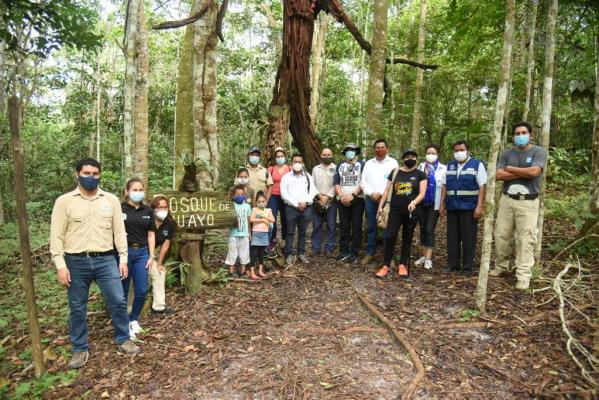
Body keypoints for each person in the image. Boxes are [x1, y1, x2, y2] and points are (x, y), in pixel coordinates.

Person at [50, 158, 141, 370]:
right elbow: (56, 236)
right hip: (75, 262)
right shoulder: (64, 201)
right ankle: (79, 348)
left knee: (118, 300)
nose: (91, 177)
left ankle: (123, 339)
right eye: (86, 173)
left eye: (95, 174)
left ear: (100, 175)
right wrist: (60, 265)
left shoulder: (110, 200)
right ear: (77, 174)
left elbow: (119, 232)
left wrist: (124, 259)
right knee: (77, 307)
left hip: (106, 259)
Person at [491, 121, 548, 290]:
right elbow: (498, 175)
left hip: (528, 201)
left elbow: (534, 172)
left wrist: (510, 169)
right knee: (501, 234)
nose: (520, 136)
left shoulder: (539, 151)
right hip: (507, 200)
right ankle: (501, 266)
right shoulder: (507, 153)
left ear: (531, 135)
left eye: (524, 132)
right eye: (517, 133)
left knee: (526, 238)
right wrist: (522, 172)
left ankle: (523, 276)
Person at [375, 150, 428, 278]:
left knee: (407, 237)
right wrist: (380, 205)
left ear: (416, 159)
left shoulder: (421, 175)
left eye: (413, 157)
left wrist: (414, 202)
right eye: (408, 157)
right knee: (389, 236)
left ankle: (403, 264)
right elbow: (387, 190)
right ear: (403, 159)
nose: (410, 159)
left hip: (411, 211)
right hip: (395, 210)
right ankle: (386, 265)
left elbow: (422, 193)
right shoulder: (395, 172)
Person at [439, 140, 487, 276]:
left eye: (461, 150)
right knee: (452, 237)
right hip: (452, 207)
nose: (459, 153)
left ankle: (467, 267)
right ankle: (453, 264)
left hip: (469, 208)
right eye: (456, 150)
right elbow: (444, 186)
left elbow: (482, 186)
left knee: (468, 238)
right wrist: (442, 204)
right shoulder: (449, 166)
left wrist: (479, 206)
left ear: (468, 151)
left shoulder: (477, 165)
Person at [119, 178, 155, 339]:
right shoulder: (120, 209)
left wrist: (151, 255)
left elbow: (151, 233)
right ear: (127, 191)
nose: (138, 192)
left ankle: (133, 319)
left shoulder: (147, 211)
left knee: (141, 290)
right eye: (135, 189)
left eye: (141, 189)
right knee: (123, 291)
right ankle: (123, 324)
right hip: (124, 253)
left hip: (142, 253)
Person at [360, 139, 399, 264]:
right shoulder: (369, 163)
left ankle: (388, 255)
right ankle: (370, 253)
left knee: (388, 226)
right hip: (371, 198)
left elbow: (394, 181)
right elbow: (363, 181)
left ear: (387, 149)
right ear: (374, 149)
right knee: (371, 226)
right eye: (377, 147)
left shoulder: (393, 163)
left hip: (387, 199)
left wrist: (381, 193)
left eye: (382, 147)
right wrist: (372, 193)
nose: (380, 149)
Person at [280, 154, 317, 265]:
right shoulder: (286, 177)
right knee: (290, 232)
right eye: (295, 161)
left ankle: (301, 253)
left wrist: (305, 202)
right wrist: (296, 204)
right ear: (291, 163)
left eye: (299, 162)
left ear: (302, 163)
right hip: (291, 208)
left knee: (302, 232)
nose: (297, 164)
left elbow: (312, 191)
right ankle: (289, 254)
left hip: (305, 208)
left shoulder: (307, 177)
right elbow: (284, 193)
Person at [414, 144, 447, 270]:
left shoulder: (443, 168)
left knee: (429, 228)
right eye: (428, 153)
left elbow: (444, 187)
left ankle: (428, 258)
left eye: (433, 153)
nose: (430, 155)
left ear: (437, 154)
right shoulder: (421, 167)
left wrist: (442, 204)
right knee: (422, 228)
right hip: (422, 203)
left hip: (435, 203)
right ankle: (423, 255)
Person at [334, 143, 365, 263]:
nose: (350, 152)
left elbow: (363, 182)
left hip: (358, 199)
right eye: (347, 150)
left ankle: (355, 252)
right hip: (342, 200)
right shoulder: (340, 165)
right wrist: (342, 196)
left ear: (356, 152)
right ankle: (343, 251)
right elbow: (336, 183)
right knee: (344, 226)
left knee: (357, 226)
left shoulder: (362, 164)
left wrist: (352, 195)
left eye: (352, 150)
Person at [149, 195, 176, 315]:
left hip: (150, 257)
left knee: (160, 272)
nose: (163, 210)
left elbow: (166, 244)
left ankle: (158, 307)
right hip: (137, 253)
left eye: (165, 207)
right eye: (160, 207)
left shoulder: (170, 224)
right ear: (153, 208)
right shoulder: (147, 220)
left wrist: (159, 263)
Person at [311, 148, 337, 257]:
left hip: (331, 200)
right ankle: (315, 248)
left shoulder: (336, 168)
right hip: (318, 200)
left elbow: (336, 184)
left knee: (331, 225)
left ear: (332, 155)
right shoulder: (316, 169)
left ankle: (329, 249)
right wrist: (319, 196)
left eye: (328, 154)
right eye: (324, 154)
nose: (326, 156)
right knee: (317, 225)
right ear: (321, 155)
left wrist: (328, 196)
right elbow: (312, 184)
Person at [267, 147, 291, 256]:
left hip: (286, 197)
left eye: (281, 156)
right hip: (273, 196)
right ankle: (272, 240)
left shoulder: (290, 168)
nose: (280, 158)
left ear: (285, 157)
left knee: (285, 219)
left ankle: (285, 240)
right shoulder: (271, 169)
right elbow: (267, 184)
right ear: (275, 158)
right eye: (278, 156)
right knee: (272, 219)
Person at [225, 186, 252, 277]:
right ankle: (231, 271)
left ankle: (243, 271)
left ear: (245, 195)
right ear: (233, 196)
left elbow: (248, 220)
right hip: (233, 234)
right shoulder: (231, 206)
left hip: (244, 234)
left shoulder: (247, 206)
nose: (240, 196)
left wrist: (249, 233)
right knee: (232, 251)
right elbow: (228, 220)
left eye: (242, 194)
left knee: (244, 252)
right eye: (237, 194)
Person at [249, 192, 275, 280]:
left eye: (263, 201)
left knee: (261, 253)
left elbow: (273, 220)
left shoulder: (268, 210)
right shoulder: (255, 210)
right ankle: (252, 272)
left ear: (266, 202)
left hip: (264, 234)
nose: (261, 203)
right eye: (259, 202)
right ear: (256, 202)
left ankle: (260, 271)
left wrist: (265, 217)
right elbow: (251, 219)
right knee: (254, 253)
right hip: (256, 233)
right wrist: (263, 220)